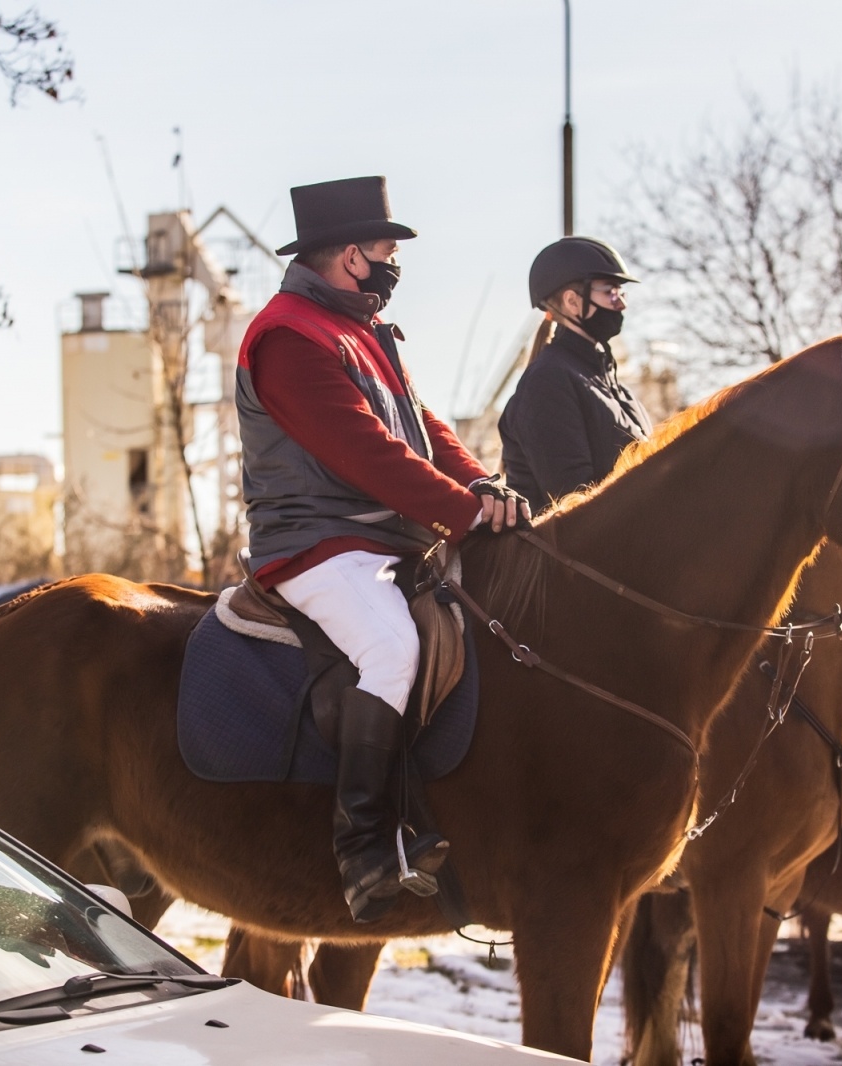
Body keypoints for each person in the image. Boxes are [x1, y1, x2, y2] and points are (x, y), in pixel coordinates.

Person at [235, 176, 527, 923]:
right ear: (350, 255)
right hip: (316, 543)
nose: (395, 262)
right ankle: (364, 846)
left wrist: (483, 485)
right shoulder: (287, 335)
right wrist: (462, 514)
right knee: (392, 647)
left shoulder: (365, 332)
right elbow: (365, 453)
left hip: (382, 540)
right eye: (387, 249)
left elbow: (425, 429)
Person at [498, 237, 653, 512]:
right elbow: (574, 504)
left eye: (621, 293)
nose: (621, 304)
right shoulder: (547, 382)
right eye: (610, 292)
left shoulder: (614, 385)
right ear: (572, 301)